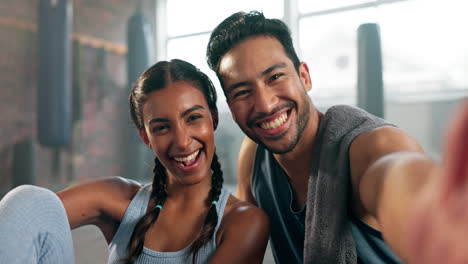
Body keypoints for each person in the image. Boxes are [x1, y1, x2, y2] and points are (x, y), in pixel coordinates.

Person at [206, 10, 468, 264]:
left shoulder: (373, 146)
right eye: (242, 92)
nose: (264, 104)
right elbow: (243, 239)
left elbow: (394, 177)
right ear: (231, 106)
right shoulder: (253, 154)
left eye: (275, 77)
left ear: (304, 77)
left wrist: (435, 220)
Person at [0, 59, 269, 264]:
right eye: (162, 127)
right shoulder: (122, 201)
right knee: (29, 200)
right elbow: (29, 220)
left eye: (193, 118)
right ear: (146, 137)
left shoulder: (244, 223)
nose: (183, 141)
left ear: (214, 119)